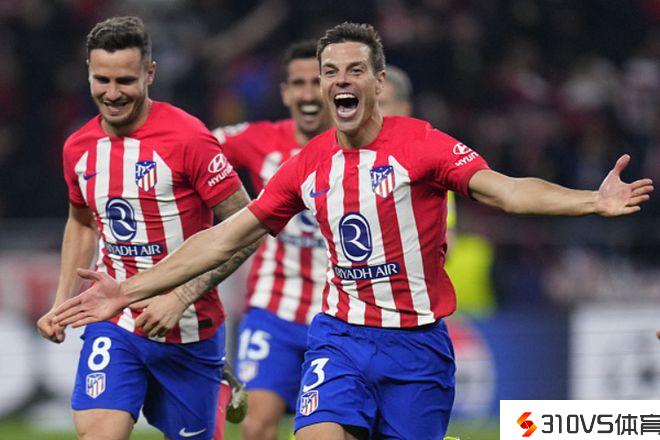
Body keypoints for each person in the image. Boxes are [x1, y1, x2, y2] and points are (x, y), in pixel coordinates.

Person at [53, 22, 654, 440]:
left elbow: (507, 190)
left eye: (355, 71)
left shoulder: (422, 145)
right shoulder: (308, 164)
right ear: (320, 83)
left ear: (377, 81)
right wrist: (128, 291)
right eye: (330, 71)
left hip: (417, 346)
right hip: (339, 337)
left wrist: (590, 202)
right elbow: (226, 235)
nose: (341, 81)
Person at [36, 16, 258, 440]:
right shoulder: (78, 147)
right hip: (114, 319)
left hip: (189, 327)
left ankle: (216, 389)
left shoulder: (189, 138)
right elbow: (81, 222)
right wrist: (61, 303)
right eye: (102, 80)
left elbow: (247, 227)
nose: (112, 93)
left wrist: (180, 296)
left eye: (125, 80)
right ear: (88, 72)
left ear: (150, 73)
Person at [211, 40, 332, 440]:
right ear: (285, 92)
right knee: (256, 424)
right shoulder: (261, 139)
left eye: (317, 83)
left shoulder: (357, 147)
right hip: (273, 310)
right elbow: (195, 148)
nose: (308, 94)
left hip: (338, 316)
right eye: (299, 83)